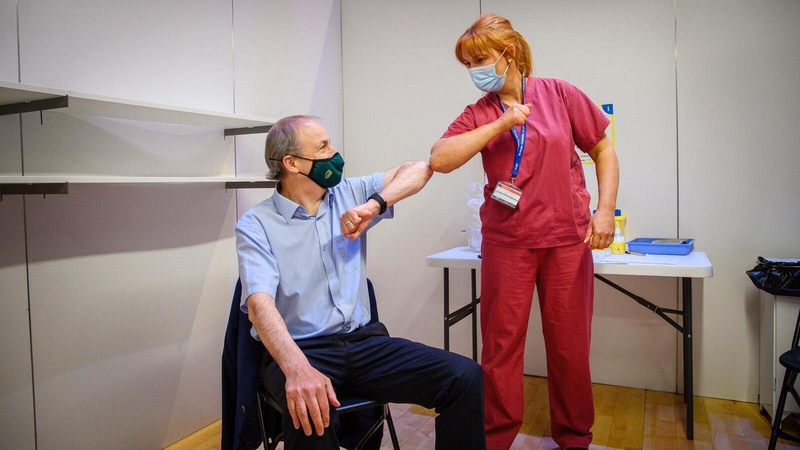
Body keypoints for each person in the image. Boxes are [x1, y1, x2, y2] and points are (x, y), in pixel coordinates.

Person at [236, 115, 487, 450]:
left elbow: (419, 169)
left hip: (364, 344)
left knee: (464, 377)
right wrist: (298, 370)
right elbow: (259, 303)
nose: (335, 153)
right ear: (292, 163)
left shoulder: (347, 193)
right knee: (311, 410)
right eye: (323, 147)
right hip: (302, 350)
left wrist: (374, 205)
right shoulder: (256, 225)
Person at [429, 14, 620, 450]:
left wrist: (605, 211)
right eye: (467, 63)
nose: (474, 70)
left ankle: (574, 438)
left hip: (567, 240)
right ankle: (494, 439)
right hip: (507, 244)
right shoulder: (478, 113)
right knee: (500, 350)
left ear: (508, 53)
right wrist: (500, 123)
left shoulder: (560, 93)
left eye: (480, 59)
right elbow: (440, 158)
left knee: (570, 349)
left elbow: (604, 149)